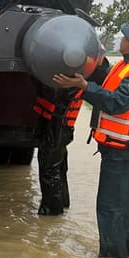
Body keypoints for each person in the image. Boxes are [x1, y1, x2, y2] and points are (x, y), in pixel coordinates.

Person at [53, 18, 129, 258]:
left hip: (125, 152)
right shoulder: (128, 65)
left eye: (126, 37)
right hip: (120, 149)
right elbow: (104, 81)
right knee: (124, 209)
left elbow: (117, 102)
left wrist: (84, 86)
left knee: (112, 208)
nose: (121, 40)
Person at [33, 86, 84, 215]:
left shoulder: (67, 82)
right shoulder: (74, 75)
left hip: (57, 128)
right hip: (59, 127)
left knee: (50, 170)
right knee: (58, 169)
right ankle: (61, 204)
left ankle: (52, 212)